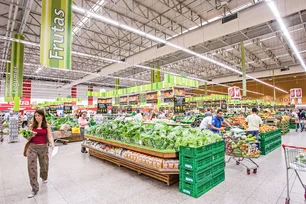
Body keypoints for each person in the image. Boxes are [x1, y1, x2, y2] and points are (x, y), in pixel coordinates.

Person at [27, 109, 54, 198]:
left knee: (44, 165)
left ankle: (44, 176)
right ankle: (34, 188)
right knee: (32, 168)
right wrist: (31, 135)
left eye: (39, 115)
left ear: (42, 116)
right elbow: (27, 138)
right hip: (32, 148)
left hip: (43, 148)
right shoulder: (31, 126)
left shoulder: (46, 125)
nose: (37, 117)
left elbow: (49, 136)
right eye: (36, 116)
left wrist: (52, 144)